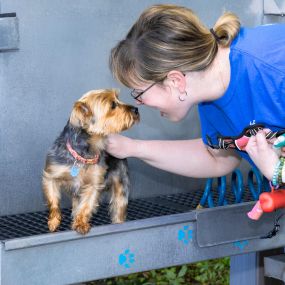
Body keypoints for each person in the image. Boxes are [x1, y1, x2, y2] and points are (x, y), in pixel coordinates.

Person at [107, 4, 285, 183]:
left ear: (176, 81)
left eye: (139, 92)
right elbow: (218, 159)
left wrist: (276, 172)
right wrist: (131, 148)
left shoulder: (274, 68)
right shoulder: (211, 101)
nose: (139, 102)